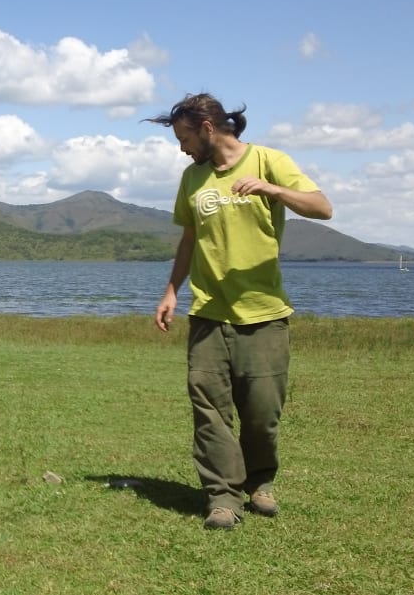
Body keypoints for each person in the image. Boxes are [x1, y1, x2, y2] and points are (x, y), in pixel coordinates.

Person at [146, 93, 333, 530]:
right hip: (209, 313)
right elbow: (189, 239)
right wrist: (172, 290)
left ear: (208, 128)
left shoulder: (269, 161)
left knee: (261, 414)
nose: (182, 147)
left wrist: (271, 189)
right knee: (209, 409)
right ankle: (222, 499)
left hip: (264, 314)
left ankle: (259, 483)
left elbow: (323, 207)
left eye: (185, 137)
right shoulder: (192, 178)